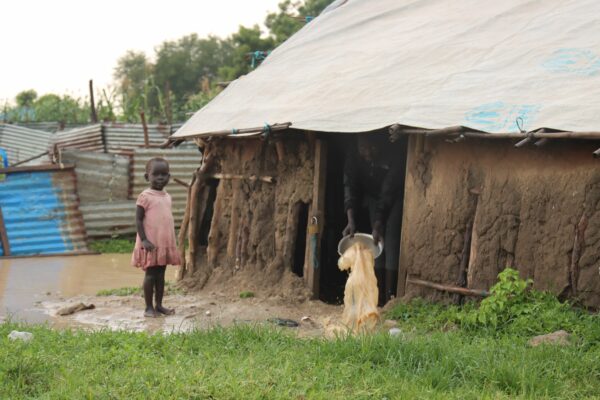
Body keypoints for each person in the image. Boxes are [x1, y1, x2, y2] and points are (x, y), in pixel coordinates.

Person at [343, 134, 406, 305]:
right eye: (363, 149)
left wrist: (378, 223)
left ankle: (390, 298)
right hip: (372, 196)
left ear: (380, 145)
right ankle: (377, 299)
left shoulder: (393, 154)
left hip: (395, 198)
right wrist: (351, 219)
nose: (367, 153)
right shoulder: (354, 155)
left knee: (391, 240)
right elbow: (350, 184)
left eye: (371, 148)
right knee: (376, 244)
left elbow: (388, 192)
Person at [131, 157, 181, 317]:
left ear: (169, 176)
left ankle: (159, 305)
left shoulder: (167, 196)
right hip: (150, 242)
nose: (160, 178)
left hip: (163, 243)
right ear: (147, 177)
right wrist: (144, 240)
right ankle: (148, 308)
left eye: (164, 174)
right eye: (156, 174)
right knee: (151, 274)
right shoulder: (144, 197)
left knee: (161, 275)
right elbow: (138, 220)